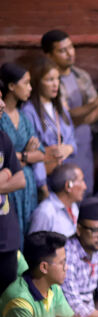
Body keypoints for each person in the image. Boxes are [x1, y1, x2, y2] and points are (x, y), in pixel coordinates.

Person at [41, 29, 98, 195]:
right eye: (62, 50)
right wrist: (96, 102)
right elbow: (65, 116)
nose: (69, 53)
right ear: (49, 56)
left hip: (84, 142)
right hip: (63, 145)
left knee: (85, 189)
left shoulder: (81, 75)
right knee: (66, 190)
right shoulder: (51, 83)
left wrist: (88, 111)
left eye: (71, 47)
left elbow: (95, 111)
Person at [0, 231, 97, 317]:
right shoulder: (19, 301)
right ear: (44, 268)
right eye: (62, 263)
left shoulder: (53, 287)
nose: (66, 268)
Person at [0, 63, 46, 241]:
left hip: (27, 184)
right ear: (11, 86)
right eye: (26, 83)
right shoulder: (2, 118)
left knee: (28, 230)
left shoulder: (24, 117)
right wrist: (27, 154)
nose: (30, 88)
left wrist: (23, 156)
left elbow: (41, 154)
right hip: (8, 182)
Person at [22, 58, 77, 177]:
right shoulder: (29, 111)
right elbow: (31, 147)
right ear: (37, 82)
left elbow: (72, 139)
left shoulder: (59, 107)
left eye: (57, 78)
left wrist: (68, 149)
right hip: (43, 174)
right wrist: (49, 151)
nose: (55, 84)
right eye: (50, 79)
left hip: (65, 172)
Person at [0, 88, 27, 295]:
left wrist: (7, 175)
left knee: (7, 299)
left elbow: (20, 180)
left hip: (7, 238)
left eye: (1, 98)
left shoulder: (2, 138)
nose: (2, 105)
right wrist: (5, 174)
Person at [28, 163, 86, 238]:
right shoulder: (45, 212)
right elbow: (34, 244)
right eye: (81, 181)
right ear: (68, 186)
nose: (85, 187)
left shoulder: (73, 207)